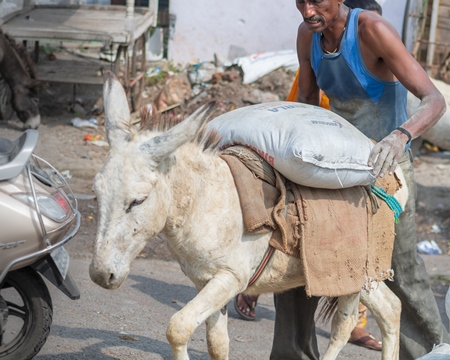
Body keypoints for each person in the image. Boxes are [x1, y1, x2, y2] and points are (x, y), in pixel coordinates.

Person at [269, 1, 449, 359]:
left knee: (399, 269)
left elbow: (433, 99)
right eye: (300, 2)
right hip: (337, 163)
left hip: (387, 165)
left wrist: (400, 136)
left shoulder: (371, 30)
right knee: (300, 249)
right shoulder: (309, 36)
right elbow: (306, 102)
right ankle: (293, 353)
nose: (307, 12)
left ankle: (433, 352)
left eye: (315, 1)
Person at [235, 0, 384, 352]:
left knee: (370, 253)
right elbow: (297, 118)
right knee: (297, 238)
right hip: (322, 160)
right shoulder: (317, 55)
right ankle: (255, 283)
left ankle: (354, 322)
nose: (307, 11)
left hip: (364, 161)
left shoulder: (375, 66)